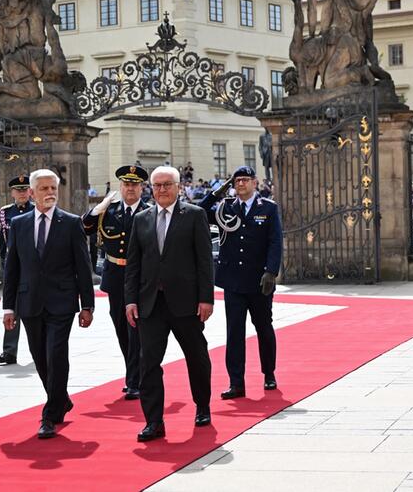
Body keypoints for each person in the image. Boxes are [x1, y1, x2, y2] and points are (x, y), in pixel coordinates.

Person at [1, 169, 94, 439]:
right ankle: (61, 399)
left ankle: (50, 415)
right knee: (40, 357)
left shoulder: (71, 222)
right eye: (43, 189)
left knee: (56, 355)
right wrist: (9, 307)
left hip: (62, 302)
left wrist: (87, 304)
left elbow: (83, 267)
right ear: (31, 193)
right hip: (29, 301)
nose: (49, 193)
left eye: (53, 187)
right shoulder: (18, 224)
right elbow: (12, 269)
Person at [125, 166, 215, 441]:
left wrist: (206, 298)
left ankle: (202, 406)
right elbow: (134, 264)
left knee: (197, 357)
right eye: (157, 185)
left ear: (179, 187)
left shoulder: (195, 215)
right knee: (148, 363)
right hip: (151, 303)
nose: (162, 190)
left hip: (186, 303)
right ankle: (154, 420)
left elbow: (204, 261)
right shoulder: (141, 219)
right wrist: (130, 300)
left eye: (167, 184)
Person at [198, 166, 283, 400]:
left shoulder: (267, 208)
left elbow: (275, 242)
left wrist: (271, 271)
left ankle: (269, 373)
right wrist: (217, 192)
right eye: (237, 181)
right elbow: (199, 211)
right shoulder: (226, 207)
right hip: (233, 281)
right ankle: (236, 382)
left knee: (264, 328)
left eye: (245, 180)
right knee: (234, 333)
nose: (241, 184)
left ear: (255, 183)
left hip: (259, 281)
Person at [82, 165, 150, 400]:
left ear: (142, 188)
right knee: (121, 326)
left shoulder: (149, 212)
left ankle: (134, 380)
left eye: (135, 184)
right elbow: (84, 228)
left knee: (135, 330)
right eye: (126, 184)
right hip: (115, 275)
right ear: (120, 186)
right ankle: (134, 372)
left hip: (139, 277)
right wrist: (95, 210)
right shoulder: (108, 211)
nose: (130, 188)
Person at [0, 175, 34, 366]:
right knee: (12, 308)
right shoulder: (4, 213)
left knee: (35, 308)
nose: (22, 193)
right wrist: (5, 266)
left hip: (33, 267)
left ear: (30, 191)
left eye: (25, 189)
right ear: (12, 193)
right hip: (14, 267)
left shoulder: (37, 210)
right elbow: (3, 243)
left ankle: (40, 347)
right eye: (18, 190)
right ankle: (9, 351)